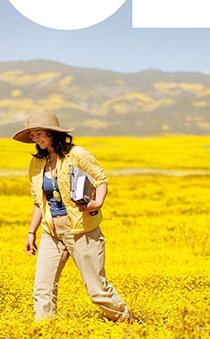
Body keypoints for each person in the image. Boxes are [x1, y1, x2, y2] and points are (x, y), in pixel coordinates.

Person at [12, 109, 130, 322]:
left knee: (97, 292)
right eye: (32, 135)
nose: (35, 139)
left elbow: (100, 180)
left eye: (39, 133)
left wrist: (97, 202)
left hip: (81, 230)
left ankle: (127, 321)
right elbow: (39, 201)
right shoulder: (37, 164)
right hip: (52, 232)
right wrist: (31, 232)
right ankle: (46, 335)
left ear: (51, 133)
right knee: (42, 290)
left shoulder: (77, 155)